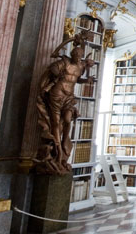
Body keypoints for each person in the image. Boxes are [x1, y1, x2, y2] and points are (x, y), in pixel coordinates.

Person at [34, 34, 96, 175]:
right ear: (72, 54)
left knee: (67, 119)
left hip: (69, 96)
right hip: (57, 94)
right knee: (55, 123)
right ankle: (58, 151)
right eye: (76, 54)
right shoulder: (64, 62)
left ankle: (63, 143)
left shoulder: (80, 66)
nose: (78, 57)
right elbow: (53, 67)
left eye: (80, 55)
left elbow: (76, 80)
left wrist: (86, 81)